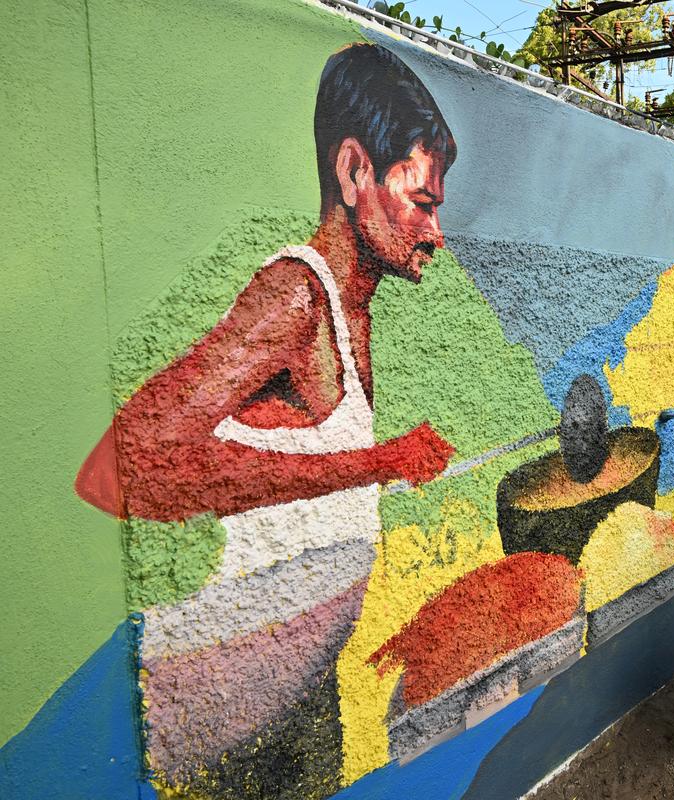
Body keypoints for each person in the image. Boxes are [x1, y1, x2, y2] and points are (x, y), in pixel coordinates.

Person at [73, 43, 457, 787]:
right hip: (227, 723)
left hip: (297, 692)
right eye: (424, 203)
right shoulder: (294, 297)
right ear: (354, 172)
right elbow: (116, 470)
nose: (436, 234)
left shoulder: (353, 309)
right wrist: (375, 465)